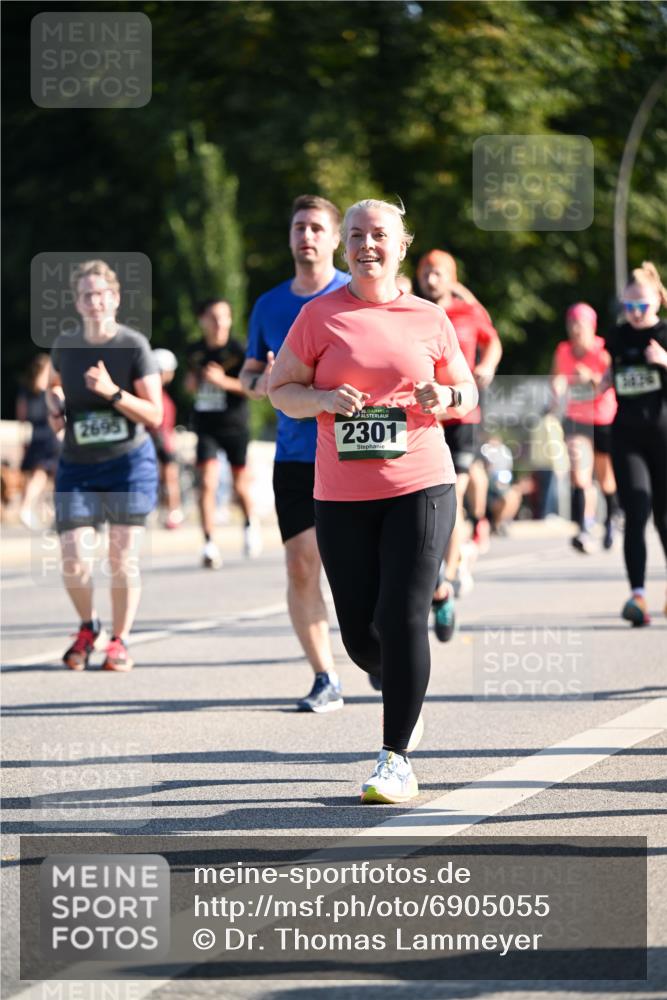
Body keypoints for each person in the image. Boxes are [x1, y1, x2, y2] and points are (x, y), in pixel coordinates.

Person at [268, 198, 477, 803]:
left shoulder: (430, 318)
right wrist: (323, 401)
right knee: (361, 636)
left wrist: (446, 397)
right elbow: (281, 390)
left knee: (404, 614)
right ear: (344, 245)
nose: (366, 245)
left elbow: (463, 386)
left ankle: (396, 759)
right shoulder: (317, 317)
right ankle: (399, 687)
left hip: (421, 483)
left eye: (379, 235)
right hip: (340, 494)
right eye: (356, 235)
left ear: (401, 246)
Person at [240, 194, 349, 712]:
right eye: (299, 227)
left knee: (360, 565)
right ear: (290, 238)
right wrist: (260, 379)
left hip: (355, 451)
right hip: (295, 456)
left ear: (334, 240)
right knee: (303, 566)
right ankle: (325, 676)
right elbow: (248, 374)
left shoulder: (357, 294)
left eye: (316, 228)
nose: (306, 236)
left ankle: (378, 644)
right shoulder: (268, 305)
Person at [47, 259, 162, 671]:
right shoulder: (65, 345)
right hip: (78, 464)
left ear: (115, 298)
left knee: (121, 555)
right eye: (86, 295)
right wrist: (55, 407)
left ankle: (120, 640)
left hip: (128, 463)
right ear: (77, 303)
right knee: (72, 553)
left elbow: (155, 414)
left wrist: (113, 393)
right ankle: (87, 625)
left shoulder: (132, 346)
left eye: (102, 294)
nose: (95, 301)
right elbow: (52, 387)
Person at [416, 249, 502, 641]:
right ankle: (434, 579)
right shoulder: (410, 310)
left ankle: (445, 582)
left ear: (451, 278)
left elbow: (493, 341)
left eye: (439, 273)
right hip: (423, 418)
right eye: (426, 272)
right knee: (424, 503)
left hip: (462, 417)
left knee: (453, 495)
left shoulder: (469, 313)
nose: (431, 279)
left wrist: (486, 365)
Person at [604, 262, 667, 626]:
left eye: (642, 306)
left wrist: (664, 361)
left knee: (665, 520)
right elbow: (609, 371)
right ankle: (638, 597)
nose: (636, 314)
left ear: (657, 300)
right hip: (627, 436)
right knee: (637, 513)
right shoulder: (616, 337)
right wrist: (602, 380)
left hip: (663, 437)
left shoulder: (665, 333)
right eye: (630, 307)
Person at [186, 298, 261, 567]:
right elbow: (190, 384)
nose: (219, 323)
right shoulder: (194, 350)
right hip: (206, 425)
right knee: (206, 482)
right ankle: (208, 544)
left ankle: (250, 525)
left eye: (224, 317)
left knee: (240, 485)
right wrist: (192, 383)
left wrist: (223, 381)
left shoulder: (240, 349)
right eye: (213, 318)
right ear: (203, 321)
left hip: (235, 425)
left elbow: (255, 388)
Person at [551, 303, 618, 554]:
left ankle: (610, 522)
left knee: (606, 478)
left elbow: (609, 382)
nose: (575, 329)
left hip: (603, 418)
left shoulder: (602, 350)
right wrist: (558, 387)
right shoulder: (563, 350)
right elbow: (556, 375)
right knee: (579, 473)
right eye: (571, 323)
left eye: (580, 323)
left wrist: (591, 377)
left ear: (592, 326)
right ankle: (583, 528)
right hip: (576, 418)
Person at [16, 353, 61, 530]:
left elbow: (22, 418)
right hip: (51, 436)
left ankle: (32, 509)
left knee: (39, 475)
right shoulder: (52, 391)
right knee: (49, 476)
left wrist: (24, 441)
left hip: (35, 435)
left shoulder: (26, 391)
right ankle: (54, 513)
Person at [151, 348, 184, 530]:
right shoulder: (159, 395)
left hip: (158, 438)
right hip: (162, 439)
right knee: (170, 478)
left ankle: (168, 512)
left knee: (166, 478)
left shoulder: (154, 392)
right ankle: (172, 512)